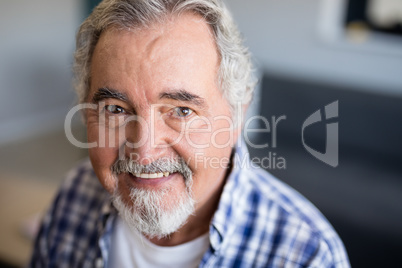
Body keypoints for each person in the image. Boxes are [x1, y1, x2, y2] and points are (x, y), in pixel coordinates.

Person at [30, 0, 350, 267]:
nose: (144, 151)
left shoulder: (307, 255)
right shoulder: (74, 195)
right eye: (115, 108)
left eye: (181, 111)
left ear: (237, 114)